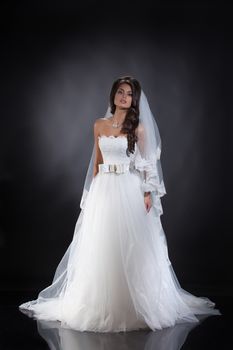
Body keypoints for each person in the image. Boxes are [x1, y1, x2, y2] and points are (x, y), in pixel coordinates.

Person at [19, 75, 221, 333]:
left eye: (129, 94)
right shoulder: (99, 125)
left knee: (130, 244)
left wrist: (148, 193)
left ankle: (134, 304)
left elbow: (147, 163)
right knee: (102, 243)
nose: (124, 97)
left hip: (128, 187)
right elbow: (96, 162)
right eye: (120, 92)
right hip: (104, 188)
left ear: (134, 100)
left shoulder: (139, 128)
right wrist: (91, 192)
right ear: (113, 95)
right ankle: (99, 303)